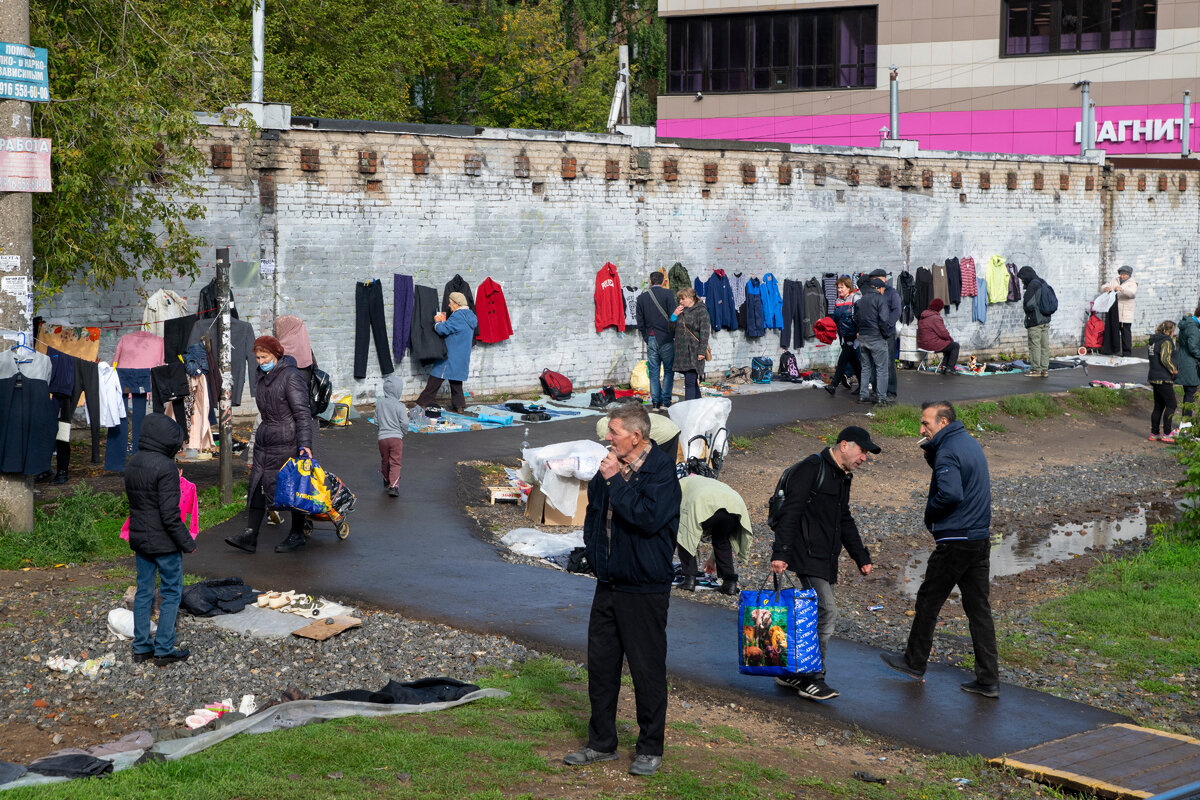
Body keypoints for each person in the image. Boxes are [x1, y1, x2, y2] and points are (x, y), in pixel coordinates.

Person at [564, 403, 680, 778]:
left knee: (646, 671)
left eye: (613, 432)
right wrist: (596, 559)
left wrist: (615, 480)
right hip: (608, 584)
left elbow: (647, 520)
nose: (606, 438)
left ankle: (649, 748)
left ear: (636, 436)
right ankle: (601, 743)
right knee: (601, 668)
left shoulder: (661, 472)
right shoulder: (608, 467)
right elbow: (595, 516)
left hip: (645, 588)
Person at [881, 400, 999, 699]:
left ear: (943, 423)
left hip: (956, 540)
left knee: (928, 601)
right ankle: (988, 680)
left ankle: (913, 662)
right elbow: (956, 477)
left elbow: (950, 493)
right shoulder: (967, 443)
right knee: (978, 610)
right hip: (978, 538)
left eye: (926, 424)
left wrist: (929, 514)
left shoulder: (948, 450)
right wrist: (933, 454)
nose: (921, 429)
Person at [768, 426, 876, 701]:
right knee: (827, 611)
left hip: (825, 557)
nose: (864, 458)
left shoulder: (842, 477)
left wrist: (860, 557)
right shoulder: (811, 468)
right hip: (807, 554)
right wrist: (780, 553)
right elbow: (790, 512)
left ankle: (791, 673)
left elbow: (844, 519)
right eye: (862, 451)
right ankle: (812, 678)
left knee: (813, 613)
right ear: (844, 445)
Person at [223, 336, 313, 555]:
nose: (261, 361)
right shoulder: (262, 376)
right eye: (258, 357)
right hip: (266, 439)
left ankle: (297, 533)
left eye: (265, 357)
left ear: (276, 355)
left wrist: (305, 445)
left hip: (287, 440)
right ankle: (250, 535)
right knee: (257, 485)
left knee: (292, 487)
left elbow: (302, 414)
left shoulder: (290, 376)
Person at [124, 413, 194, 667]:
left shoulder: (134, 462)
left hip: (140, 539)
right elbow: (170, 515)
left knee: (144, 592)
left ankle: (141, 647)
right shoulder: (166, 468)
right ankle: (164, 649)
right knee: (171, 592)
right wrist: (187, 543)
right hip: (165, 543)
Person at [676, 475, 751, 594]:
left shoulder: (679, 483)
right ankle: (729, 583)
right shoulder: (706, 481)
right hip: (735, 504)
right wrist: (712, 558)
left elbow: (680, 519)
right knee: (722, 539)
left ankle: (689, 579)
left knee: (684, 534)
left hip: (704, 500)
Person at [415, 292, 478, 413]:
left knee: (435, 379)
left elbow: (442, 330)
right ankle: (459, 406)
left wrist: (437, 322)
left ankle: (421, 403)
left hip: (450, 354)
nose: (449, 305)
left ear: (456, 303)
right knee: (456, 380)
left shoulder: (458, 316)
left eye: (450, 303)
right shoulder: (471, 316)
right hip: (462, 356)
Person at [637, 271, 676, 411]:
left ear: (650, 281)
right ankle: (665, 402)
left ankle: (655, 403)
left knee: (653, 371)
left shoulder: (641, 298)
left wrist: (646, 336)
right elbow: (674, 316)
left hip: (651, 337)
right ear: (663, 282)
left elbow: (639, 321)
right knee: (668, 370)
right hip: (666, 337)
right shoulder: (668, 294)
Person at [855, 278, 893, 406]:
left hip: (863, 338)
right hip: (876, 337)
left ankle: (863, 395)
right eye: (883, 289)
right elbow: (883, 320)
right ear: (880, 288)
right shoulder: (880, 299)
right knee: (882, 369)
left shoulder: (861, 300)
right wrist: (886, 334)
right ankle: (881, 398)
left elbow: (856, 318)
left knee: (865, 368)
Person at [671, 287, 710, 401]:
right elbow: (671, 330)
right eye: (680, 299)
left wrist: (702, 351)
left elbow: (705, 332)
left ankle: (689, 409)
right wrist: (674, 315)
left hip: (694, 350)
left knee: (689, 382)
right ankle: (699, 406)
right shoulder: (680, 311)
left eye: (683, 299)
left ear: (691, 298)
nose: (680, 301)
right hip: (681, 352)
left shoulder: (701, 311)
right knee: (692, 382)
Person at [869, 269, 902, 401]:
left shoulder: (891, 293)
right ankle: (877, 390)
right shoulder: (872, 292)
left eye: (874, 280)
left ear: (882, 279)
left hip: (887, 333)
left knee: (888, 363)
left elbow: (897, 310)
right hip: (875, 333)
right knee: (874, 362)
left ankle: (891, 392)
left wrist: (887, 325)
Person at [825, 276, 861, 396]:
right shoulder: (838, 301)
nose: (839, 290)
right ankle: (863, 385)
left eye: (842, 287)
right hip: (843, 335)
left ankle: (833, 385)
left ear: (848, 287)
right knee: (854, 361)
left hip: (853, 335)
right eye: (838, 288)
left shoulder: (855, 298)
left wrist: (859, 331)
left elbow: (861, 316)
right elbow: (835, 318)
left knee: (842, 360)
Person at [376, 374, 407, 497]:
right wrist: (403, 432)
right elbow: (404, 422)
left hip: (382, 438)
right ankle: (393, 486)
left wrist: (382, 430)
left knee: (385, 460)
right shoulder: (400, 406)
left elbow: (376, 420)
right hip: (396, 438)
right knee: (395, 461)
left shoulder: (379, 404)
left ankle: (386, 478)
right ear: (398, 390)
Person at [1017, 266, 1052, 377]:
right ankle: (1044, 369)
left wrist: (1026, 309)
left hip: (1035, 320)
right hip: (1045, 319)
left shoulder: (1032, 285)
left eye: (1022, 278)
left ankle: (1036, 369)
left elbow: (1029, 304)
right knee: (1044, 345)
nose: (1022, 281)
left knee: (1035, 345)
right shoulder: (1042, 282)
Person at [1148, 320, 1178, 443]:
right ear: (1170, 331)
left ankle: (1154, 433)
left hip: (1153, 376)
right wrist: (1173, 370)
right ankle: (1167, 433)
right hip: (1163, 377)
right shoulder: (1166, 341)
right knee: (1172, 404)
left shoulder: (1153, 340)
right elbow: (1165, 358)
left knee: (1159, 406)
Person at [916, 299, 960, 376]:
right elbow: (943, 334)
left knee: (948, 345)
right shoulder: (935, 318)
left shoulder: (923, 316)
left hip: (922, 344)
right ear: (939, 308)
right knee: (955, 345)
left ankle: (944, 367)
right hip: (931, 344)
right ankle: (949, 369)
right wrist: (950, 339)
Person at [1101, 266, 1137, 357]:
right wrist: (1106, 288)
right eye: (1121, 274)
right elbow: (1104, 286)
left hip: (1125, 312)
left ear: (1128, 275)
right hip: (1114, 311)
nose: (1122, 276)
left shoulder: (1132, 283)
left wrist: (1122, 289)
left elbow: (1132, 294)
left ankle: (1127, 353)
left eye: (1124, 275)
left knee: (1125, 333)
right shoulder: (1115, 280)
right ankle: (1113, 350)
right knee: (1113, 331)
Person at [1176, 306, 1200, 422]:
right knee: (1191, 393)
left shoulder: (1187, 324)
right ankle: (1186, 422)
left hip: (1184, 361)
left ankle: (1185, 421)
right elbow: (1193, 347)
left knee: (1188, 393)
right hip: (1189, 364)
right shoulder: (1193, 328)